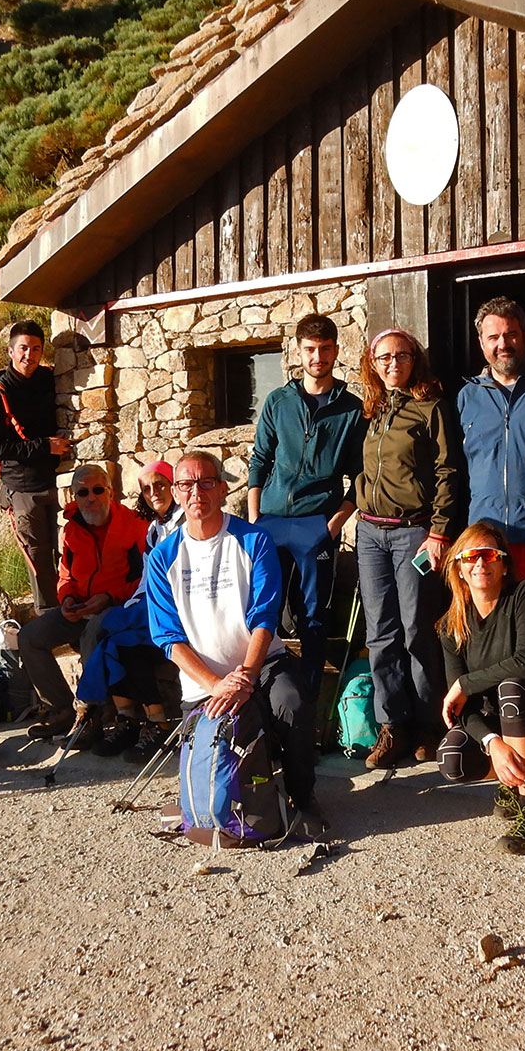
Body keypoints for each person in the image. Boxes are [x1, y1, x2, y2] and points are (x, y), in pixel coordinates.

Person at [146, 451, 316, 813]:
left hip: (263, 665)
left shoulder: (254, 540)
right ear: (175, 493)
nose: (197, 492)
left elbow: (264, 617)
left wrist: (246, 678)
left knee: (293, 703)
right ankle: (238, 805)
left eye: (206, 482)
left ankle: (303, 799)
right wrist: (216, 685)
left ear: (223, 489)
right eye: (186, 484)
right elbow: (167, 637)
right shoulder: (163, 557)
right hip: (204, 683)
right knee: (216, 748)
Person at [354, 327, 464, 769]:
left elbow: (447, 472)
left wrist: (439, 531)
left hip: (413, 534)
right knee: (380, 633)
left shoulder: (429, 408)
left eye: (401, 356)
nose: (393, 364)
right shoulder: (372, 411)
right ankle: (392, 726)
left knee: (417, 630)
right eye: (384, 358)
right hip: (369, 536)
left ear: (414, 360)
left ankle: (428, 726)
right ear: (374, 364)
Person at [244, 313, 367, 691]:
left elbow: (359, 475)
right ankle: (257, 685)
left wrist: (335, 523)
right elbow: (259, 460)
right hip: (271, 520)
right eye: (310, 350)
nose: (318, 357)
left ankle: (311, 694)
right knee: (260, 605)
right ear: (298, 352)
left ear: (335, 351)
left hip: (317, 522)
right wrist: (254, 520)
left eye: (325, 349)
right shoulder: (279, 401)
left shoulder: (351, 408)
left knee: (313, 612)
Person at [435, 522, 525, 854]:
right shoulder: (450, 626)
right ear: (458, 568)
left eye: (489, 555)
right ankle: (510, 778)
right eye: (471, 556)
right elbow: (462, 706)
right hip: (500, 726)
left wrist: (463, 683)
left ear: (504, 564)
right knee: (451, 758)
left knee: (511, 687)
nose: (480, 564)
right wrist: (493, 744)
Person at [455, 297, 525, 628]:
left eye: (511, 334)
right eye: (493, 338)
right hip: (485, 538)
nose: (503, 344)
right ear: (481, 343)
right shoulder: (467, 396)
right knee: (490, 630)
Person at [18, 463, 150, 746]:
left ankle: (93, 717)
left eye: (98, 490)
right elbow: (66, 573)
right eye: (83, 492)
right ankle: (61, 709)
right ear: (74, 496)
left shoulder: (134, 525)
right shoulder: (72, 528)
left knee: (93, 635)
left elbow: (144, 578)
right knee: (29, 637)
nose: (91, 497)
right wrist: (66, 598)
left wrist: (109, 598)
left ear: (111, 493)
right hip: (79, 607)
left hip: (119, 606)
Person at [86, 459, 183, 762]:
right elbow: (146, 577)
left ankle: (156, 723)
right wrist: (134, 605)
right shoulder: (155, 529)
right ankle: (132, 719)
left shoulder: (184, 524)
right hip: (152, 607)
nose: (154, 492)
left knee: (118, 639)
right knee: (114, 642)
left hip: (176, 612)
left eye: (160, 485)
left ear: (173, 486)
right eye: (147, 488)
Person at [0, 319, 71, 614]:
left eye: (35, 349)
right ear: (10, 351)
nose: (29, 355)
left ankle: (71, 611)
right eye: (23, 348)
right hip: (22, 489)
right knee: (38, 557)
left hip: (55, 481)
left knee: (67, 550)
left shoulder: (47, 379)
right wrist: (45, 446)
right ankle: (48, 620)